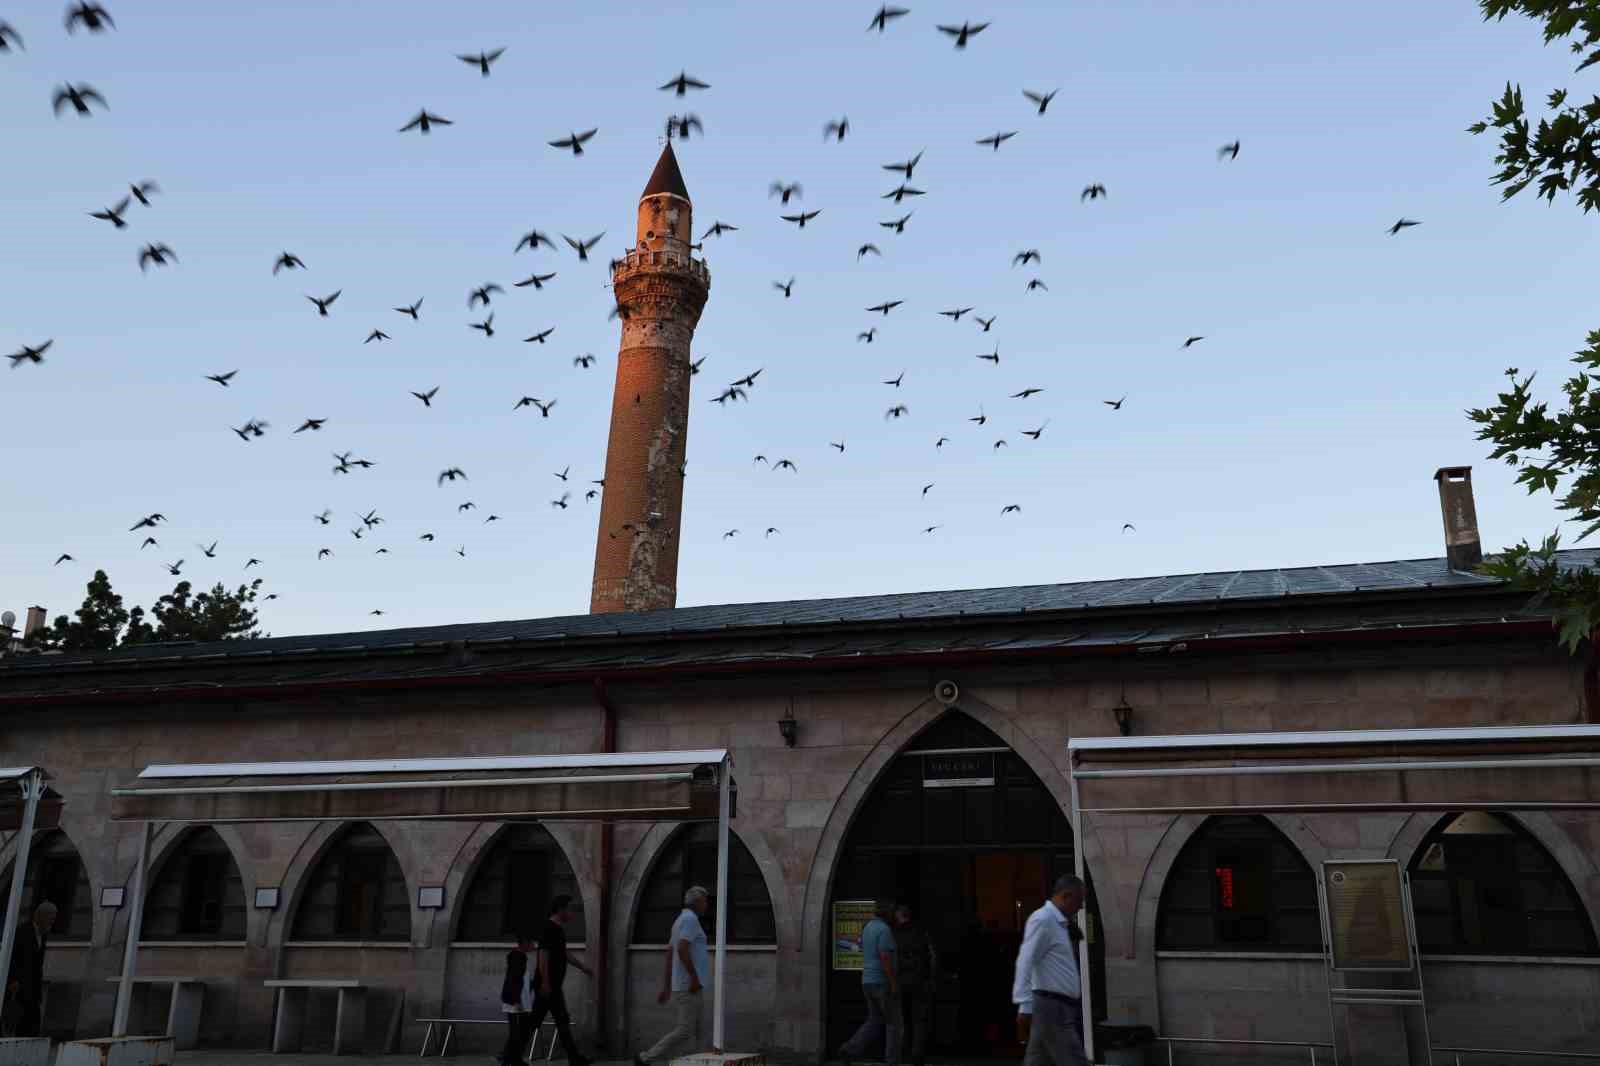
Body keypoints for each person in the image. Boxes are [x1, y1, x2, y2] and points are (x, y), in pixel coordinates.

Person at [1012, 876, 1089, 1066]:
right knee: (1073, 1059)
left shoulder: (1059, 923)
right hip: (1053, 1008)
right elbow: (1026, 960)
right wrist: (1024, 1004)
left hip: (1055, 1006)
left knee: (1037, 1060)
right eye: (1079, 900)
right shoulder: (1043, 920)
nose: (1081, 907)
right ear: (1066, 896)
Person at [635, 885, 711, 1066]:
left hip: (687, 984)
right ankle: (645, 1058)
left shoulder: (680, 920)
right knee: (685, 1030)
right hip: (689, 985)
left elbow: (670, 952)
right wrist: (693, 976)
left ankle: (695, 1062)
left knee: (697, 1030)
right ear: (698, 902)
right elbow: (682, 948)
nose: (707, 905)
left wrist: (667, 986)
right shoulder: (690, 919)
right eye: (705, 901)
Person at [527, 895, 593, 1066]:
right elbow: (543, 956)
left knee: (559, 1021)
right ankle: (508, 1055)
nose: (572, 913)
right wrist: (546, 983)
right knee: (535, 1022)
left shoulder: (558, 930)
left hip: (552, 986)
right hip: (547, 987)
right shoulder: (549, 928)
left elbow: (563, 953)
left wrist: (583, 967)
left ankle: (575, 1058)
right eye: (570, 908)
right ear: (560, 909)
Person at [837, 899, 900, 1066]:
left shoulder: (868, 928)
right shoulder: (884, 930)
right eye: (892, 912)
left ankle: (849, 1049)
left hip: (867, 980)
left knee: (873, 1020)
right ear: (887, 913)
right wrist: (893, 982)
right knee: (892, 1022)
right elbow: (885, 957)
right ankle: (891, 1060)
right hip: (881, 981)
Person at [4, 902, 58, 1039]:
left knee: (32, 1024)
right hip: (19, 987)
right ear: (40, 916)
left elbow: (37, 964)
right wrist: (13, 979)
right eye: (50, 918)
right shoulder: (23, 931)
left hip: (33, 989)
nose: (52, 922)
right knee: (18, 1023)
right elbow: (13, 956)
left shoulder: (42, 935)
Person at [893, 904, 937, 1066]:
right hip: (920, 981)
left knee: (904, 1019)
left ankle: (904, 1052)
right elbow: (933, 956)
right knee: (919, 1020)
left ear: (899, 915)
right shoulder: (921, 933)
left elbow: (891, 959)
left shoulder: (895, 934)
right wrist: (931, 978)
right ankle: (917, 1055)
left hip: (902, 982)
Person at [496, 929, 537, 1066]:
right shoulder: (518, 956)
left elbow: (522, 979)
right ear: (525, 943)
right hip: (516, 1001)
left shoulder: (520, 956)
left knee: (518, 1033)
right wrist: (516, 1001)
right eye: (532, 943)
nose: (534, 946)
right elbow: (514, 979)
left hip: (520, 1000)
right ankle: (507, 1059)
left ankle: (511, 1059)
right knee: (516, 1033)